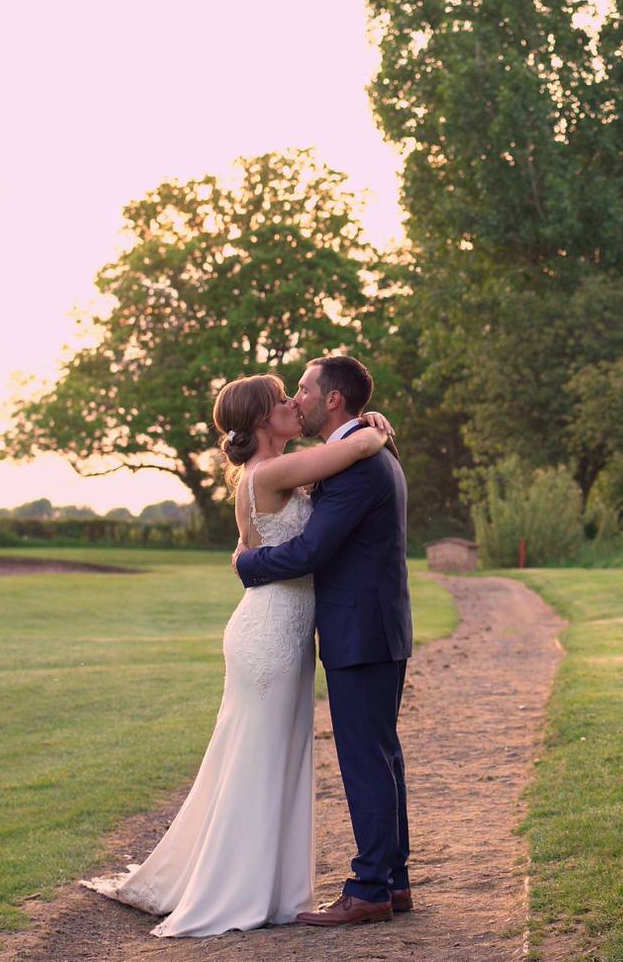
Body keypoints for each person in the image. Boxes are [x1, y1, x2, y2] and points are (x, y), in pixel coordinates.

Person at [81, 371, 394, 936]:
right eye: (282, 401)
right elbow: (357, 453)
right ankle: (235, 888)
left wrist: (361, 424)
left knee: (268, 755)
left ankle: (264, 884)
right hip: (270, 636)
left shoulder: (272, 472)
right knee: (258, 757)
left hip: (285, 629)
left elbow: (283, 526)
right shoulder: (273, 471)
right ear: (259, 420)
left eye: (295, 394)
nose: (293, 405)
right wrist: (371, 429)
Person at [235, 354, 414, 926]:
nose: (299, 399)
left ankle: (369, 890)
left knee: (367, 759)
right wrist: (371, 428)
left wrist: (248, 564)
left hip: (360, 628)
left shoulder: (358, 462)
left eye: (306, 390)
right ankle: (392, 881)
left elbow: (313, 552)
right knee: (380, 755)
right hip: (370, 625)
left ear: (333, 399)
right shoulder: (356, 452)